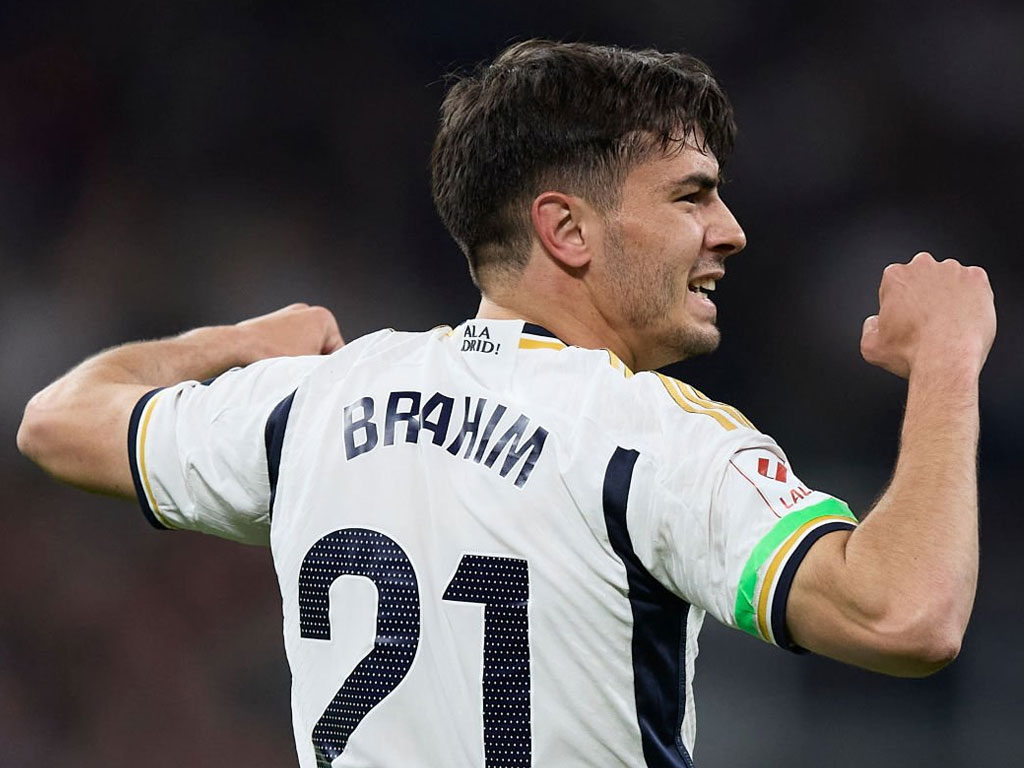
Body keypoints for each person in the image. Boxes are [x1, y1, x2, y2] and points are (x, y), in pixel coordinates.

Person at [17, 39, 995, 768]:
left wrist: (228, 345)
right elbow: (905, 618)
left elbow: (57, 422)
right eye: (690, 197)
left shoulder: (311, 404)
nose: (729, 231)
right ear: (567, 230)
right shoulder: (643, 436)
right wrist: (948, 366)